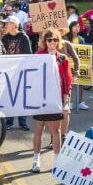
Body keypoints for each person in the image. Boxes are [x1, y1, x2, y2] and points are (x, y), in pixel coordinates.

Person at [30, 29, 71, 173]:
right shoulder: (37, 56)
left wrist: (66, 102)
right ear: (44, 41)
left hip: (56, 99)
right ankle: (36, 161)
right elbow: (31, 76)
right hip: (41, 99)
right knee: (39, 128)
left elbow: (67, 82)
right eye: (49, 40)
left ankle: (57, 162)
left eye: (55, 40)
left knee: (56, 130)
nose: (52, 42)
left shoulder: (63, 58)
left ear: (58, 41)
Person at [1, 15, 31, 131]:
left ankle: (22, 122)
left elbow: (28, 55)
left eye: (7, 23)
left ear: (13, 24)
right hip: (8, 72)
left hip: (21, 72)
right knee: (9, 97)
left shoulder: (23, 37)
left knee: (21, 98)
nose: (5, 25)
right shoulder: (4, 38)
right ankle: (9, 122)